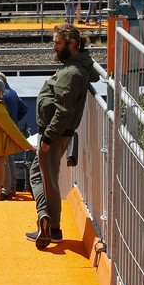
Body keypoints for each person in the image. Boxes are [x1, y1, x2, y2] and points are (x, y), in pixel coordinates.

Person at [28, 24, 98, 248]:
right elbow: (94, 75)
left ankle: (51, 225)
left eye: (58, 43)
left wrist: (48, 138)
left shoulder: (71, 73)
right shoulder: (77, 65)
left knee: (46, 181)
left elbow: (64, 111)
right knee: (39, 174)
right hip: (57, 133)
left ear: (72, 44)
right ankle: (47, 219)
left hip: (54, 134)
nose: (54, 47)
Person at [0, 71, 29, 199]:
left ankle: (7, 190)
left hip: (3, 130)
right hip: (12, 129)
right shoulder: (13, 92)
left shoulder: (1, 95)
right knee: (10, 159)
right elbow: (24, 109)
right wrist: (15, 120)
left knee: (4, 161)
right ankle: (12, 187)